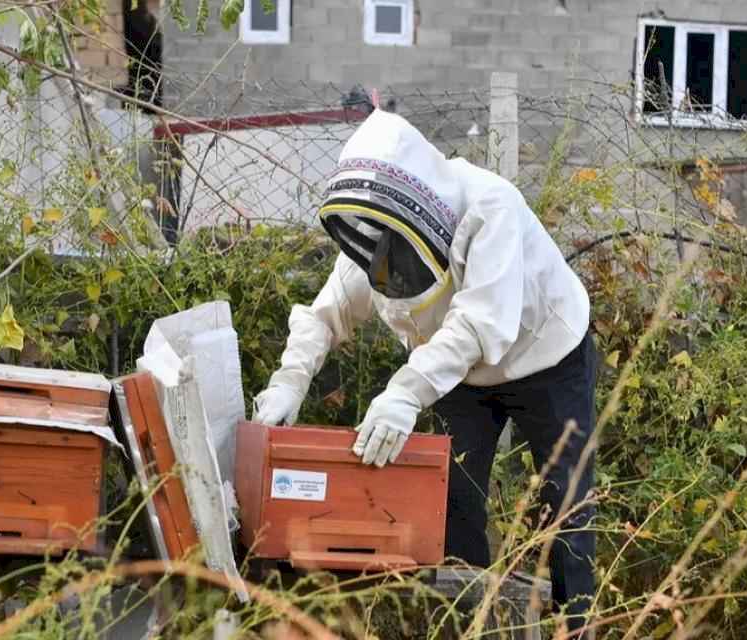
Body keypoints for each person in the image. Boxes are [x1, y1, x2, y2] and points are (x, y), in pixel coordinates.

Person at [252, 109, 597, 633]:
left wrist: (405, 394)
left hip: (547, 357)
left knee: (566, 504)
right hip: (458, 375)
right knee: (455, 502)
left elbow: (481, 324)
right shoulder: (381, 232)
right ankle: (474, 625)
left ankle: (579, 627)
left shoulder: (490, 206)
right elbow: (325, 316)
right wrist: (289, 383)